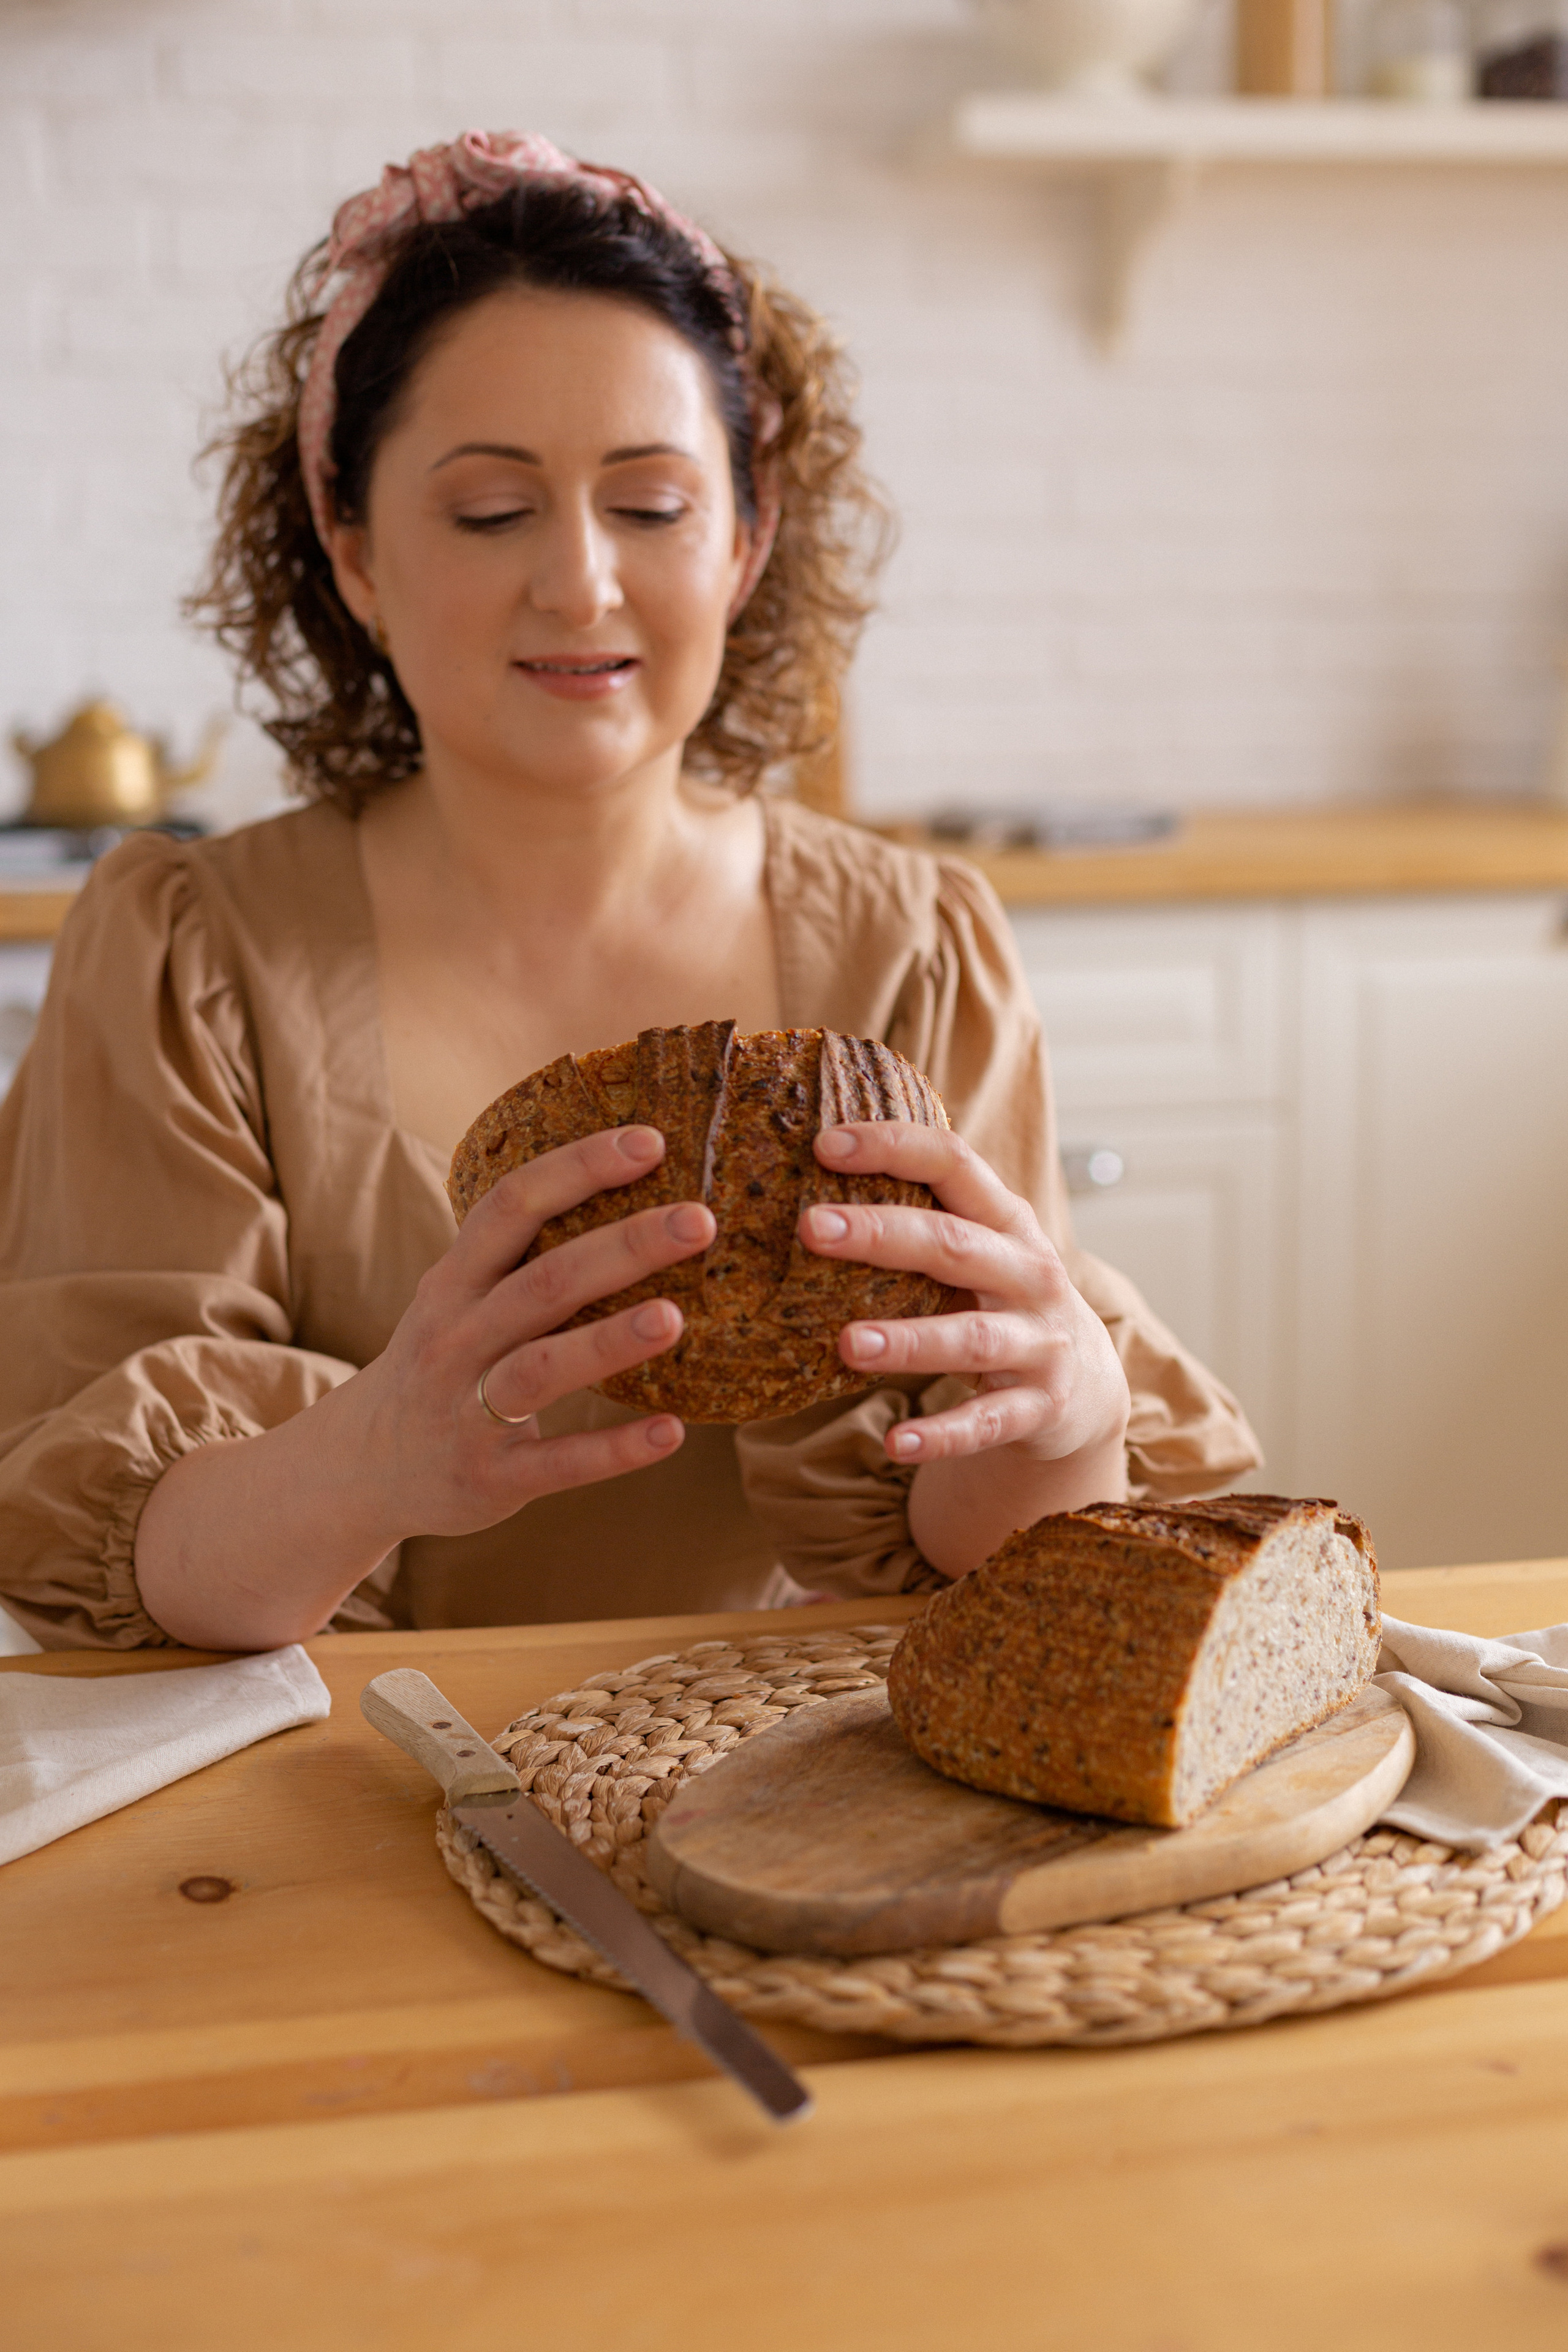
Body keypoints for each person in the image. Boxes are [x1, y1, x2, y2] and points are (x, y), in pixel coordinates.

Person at [0, 132, 1258, 1655]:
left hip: (787, 1809)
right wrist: (366, 1466)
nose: (581, 584)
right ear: (350, 545)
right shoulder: (188, 958)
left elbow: (980, 1563)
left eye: (651, 507)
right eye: (488, 512)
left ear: (746, 538)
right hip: (324, 1810)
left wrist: (1056, 1430)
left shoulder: (912, 951)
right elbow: (107, 1568)